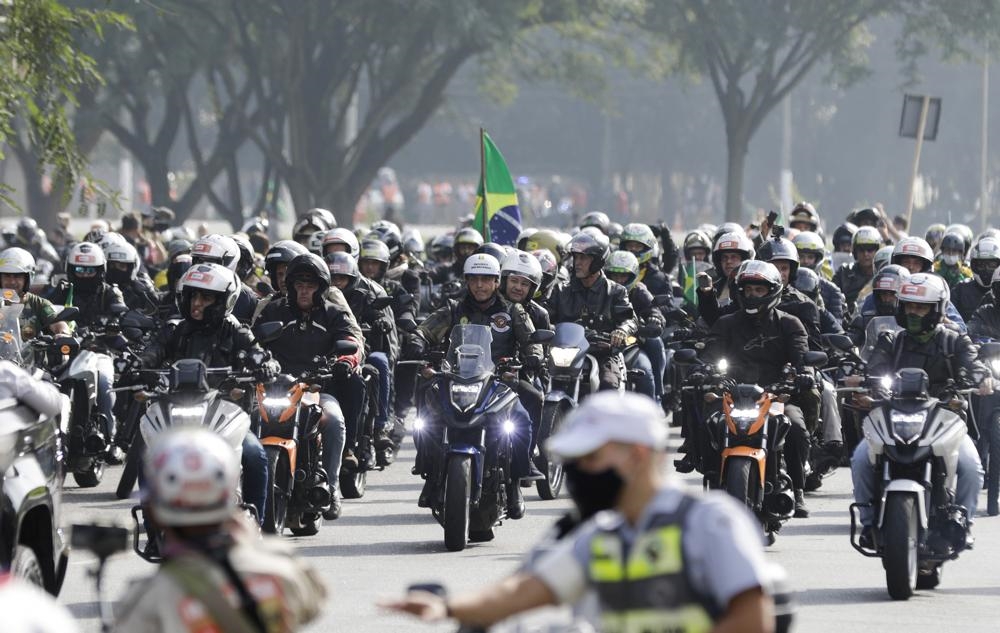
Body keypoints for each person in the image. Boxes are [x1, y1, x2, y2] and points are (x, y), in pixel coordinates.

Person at [384, 392, 775, 633]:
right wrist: (449, 607)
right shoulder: (597, 535)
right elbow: (524, 592)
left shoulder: (710, 522)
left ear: (637, 455)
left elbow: (753, 621)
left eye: (590, 457)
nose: (578, 471)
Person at [114, 428, 326, 633]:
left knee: (255, 455)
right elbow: (314, 602)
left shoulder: (147, 601)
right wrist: (255, 548)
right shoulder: (282, 571)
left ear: (154, 514)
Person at [850, 272, 988, 545]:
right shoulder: (891, 341)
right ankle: (868, 524)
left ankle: (962, 524)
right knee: (861, 459)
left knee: (972, 467)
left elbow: (974, 365)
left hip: (944, 419)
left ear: (936, 310)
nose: (913, 312)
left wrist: (982, 378)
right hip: (894, 417)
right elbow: (874, 370)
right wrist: (865, 385)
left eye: (921, 307)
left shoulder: (954, 341)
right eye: (909, 306)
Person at [405, 253, 543, 518]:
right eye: (475, 280)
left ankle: (516, 482)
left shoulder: (513, 311)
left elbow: (531, 340)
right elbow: (427, 328)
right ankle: (429, 474)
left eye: (486, 280)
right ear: (467, 282)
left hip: (500, 382)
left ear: (496, 281)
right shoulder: (454, 308)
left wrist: (533, 355)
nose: (480, 285)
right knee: (426, 412)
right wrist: (417, 340)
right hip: (455, 378)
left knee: (527, 410)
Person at [139, 263, 275, 525]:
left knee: (255, 454)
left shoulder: (236, 330)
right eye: (193, 296)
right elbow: (153, 351)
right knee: (148, 447)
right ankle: (150, 515)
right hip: (176, 406)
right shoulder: (175, 329)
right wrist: (138, 365)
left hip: (224, 411)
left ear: (224, 301)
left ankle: (257, 524)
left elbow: (259, 354)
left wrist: (266, 365)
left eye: (206, 297)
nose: (197, 303)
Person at [702, 260, 813, 518]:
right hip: (732, 395)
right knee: (711, 422)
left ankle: (796, 488)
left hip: (776, 396)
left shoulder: (790, 324)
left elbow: (803, 358)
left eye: (759, 290)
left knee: (795, 426)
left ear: (772, 291)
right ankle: (712, 479)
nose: (752, 295)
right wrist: (703, 371)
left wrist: (803, 374)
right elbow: (709, 355)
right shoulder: (726, 323)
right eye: (748, 290)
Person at [258, 253, 363, 520]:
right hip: (274, 390)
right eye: (299, 285)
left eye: (311, 285)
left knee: (335, 420)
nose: (304, 291)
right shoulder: (273, 310)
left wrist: (345, 361)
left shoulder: (334, 313)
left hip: (316, 389)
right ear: (290, 286)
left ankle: (332, 485)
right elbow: (252, 341)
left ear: (321, 288)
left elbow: (352, 341)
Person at [327, 251, 398, 456]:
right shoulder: (318, 297)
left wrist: (380, 321)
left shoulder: (362, 295)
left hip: (357, 352)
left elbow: (374, 312)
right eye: (332, 278)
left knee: (379, 361)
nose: (336, 282)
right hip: (323, 353)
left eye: (341, 278)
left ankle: (380, 426)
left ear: (351, 279)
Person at [547, 232, 637, 392]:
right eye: (576, 258)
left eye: (584, 258)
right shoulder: (560, 290)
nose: (577, 263)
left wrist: (622, 330)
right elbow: (546, 317)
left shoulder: (616, 291)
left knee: (609, 385)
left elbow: (629, 319)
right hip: (565, 354)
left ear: (597, 261)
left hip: (603, 353)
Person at [0, 247, 70, 341]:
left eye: (17, 276)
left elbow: (57, 323)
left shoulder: (39, 304)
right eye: (7, 276)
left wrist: (63, 334)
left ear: (28, 278)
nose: (12, 281)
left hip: (31, 355)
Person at [833, 226, 881, 316]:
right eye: (861, 249)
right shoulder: (844, 273)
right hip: (848, 323)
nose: (866, 254)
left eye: (870, 249)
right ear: (855, 252)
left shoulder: (883, 275)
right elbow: (833, 300)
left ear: (877, 251)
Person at [952, 236, 1000, 323]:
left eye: (991, 264)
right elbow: (951, 318)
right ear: (973, 265)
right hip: (968, 335)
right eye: (981, 264)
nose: (986, 269)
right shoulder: (960, 290)